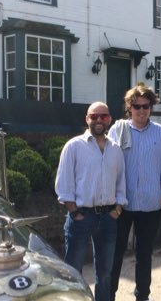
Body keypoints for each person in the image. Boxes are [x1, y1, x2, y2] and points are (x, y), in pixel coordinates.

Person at [55, 102, 127, 301]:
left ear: (109, 119)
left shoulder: (116, 150)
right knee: (73, 272)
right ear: (87, 119)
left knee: (105, 274)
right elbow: (64, 183)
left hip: (109, 217)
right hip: (81, 216)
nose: (98, 120)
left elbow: (121, 182)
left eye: (103, 116)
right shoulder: (74, 146)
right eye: (94, 116)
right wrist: (74, 211)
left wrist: (118, 209)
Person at [108, 85, 161, 301]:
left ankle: (142, 296)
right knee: (115, 254)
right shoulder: (118, 130)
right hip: (121, 204)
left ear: (151, 107)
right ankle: (109, 295)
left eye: (146, 106)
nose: (141, 110)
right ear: (129, 107)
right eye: (136, 106)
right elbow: (107, 165)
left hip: (150, 203)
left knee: (144, 255)